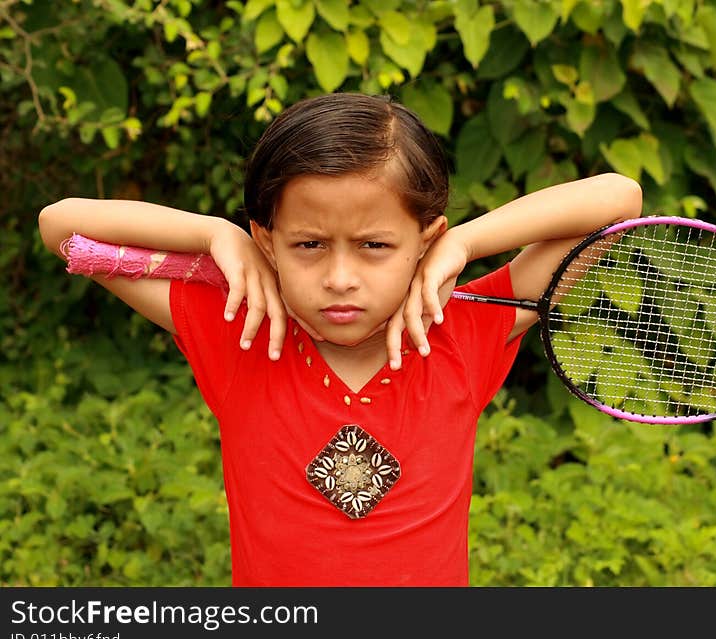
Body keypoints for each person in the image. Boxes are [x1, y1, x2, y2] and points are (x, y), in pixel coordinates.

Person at [39, 92, 642, 586]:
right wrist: (211, 235)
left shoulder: (463, 330)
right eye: (309, 244)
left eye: (375, 246)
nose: (340, 279)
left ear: (423, 242)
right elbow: (61, 226)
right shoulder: (240, 329)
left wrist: (466, 243)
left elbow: (618, 200)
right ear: (267, 241)